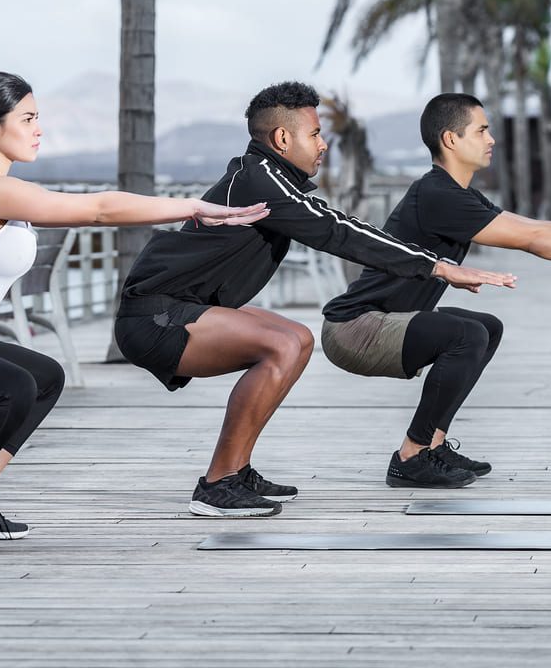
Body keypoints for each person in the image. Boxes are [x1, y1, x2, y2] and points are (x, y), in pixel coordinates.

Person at [0, 71, 269, 554]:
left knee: (44, 376)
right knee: (12, 387)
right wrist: (195, 208)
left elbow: (96, 207)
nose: (38, 129)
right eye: (28, 118)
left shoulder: (1, 189)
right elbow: (99, 210)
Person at [114, 81, 517, 518]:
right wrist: (437, 265)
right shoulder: (262, 181)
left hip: (180, 308)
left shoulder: (267, 178)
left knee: (297, 337)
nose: (323, 145)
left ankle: (238, 469)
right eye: (314, 134)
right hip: (155, 316)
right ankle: (217, 485)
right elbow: (337, 230)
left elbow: (334, 225)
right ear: (282, 139)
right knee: (283, 344)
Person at [321, 93, 551, 489]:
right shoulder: (438, 196)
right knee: (466, 335)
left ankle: (432, 446)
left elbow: (540, 227)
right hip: (355, 328)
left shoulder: (454, 193)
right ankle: (411, 455)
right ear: (451, 140)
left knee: (486, 327)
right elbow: (535, 239)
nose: (491, 139)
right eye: (482, 130)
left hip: (381, 320)